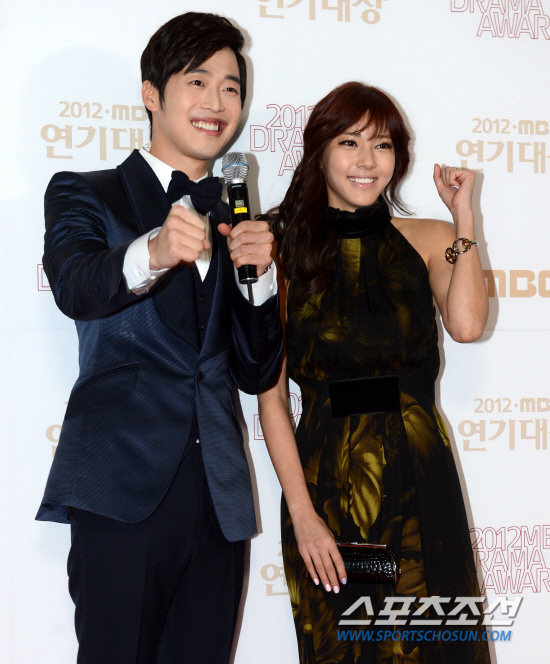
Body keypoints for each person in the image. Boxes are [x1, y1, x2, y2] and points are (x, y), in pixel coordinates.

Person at [36, 12, 283, 664]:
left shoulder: (236, 218)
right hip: (121, 489)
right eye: (197, 81)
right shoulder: (86, 193)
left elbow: (256, 372)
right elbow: (76, 287)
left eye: (231, 87)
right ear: (152, 93)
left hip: (219, 498)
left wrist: (261, 280)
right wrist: (151, 251)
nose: (216, 102)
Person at [258, 81, 491, 663]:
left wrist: (464, 216)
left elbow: (466, 326)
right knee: (355, 648)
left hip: (421, 474)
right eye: (349, 142)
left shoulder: (431, 239)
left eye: (382, 145)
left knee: (436, 647)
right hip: (330, 485)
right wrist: (303, 514)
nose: (367, 160)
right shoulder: (280, 248)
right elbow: (271, 397)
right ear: (319, 151)